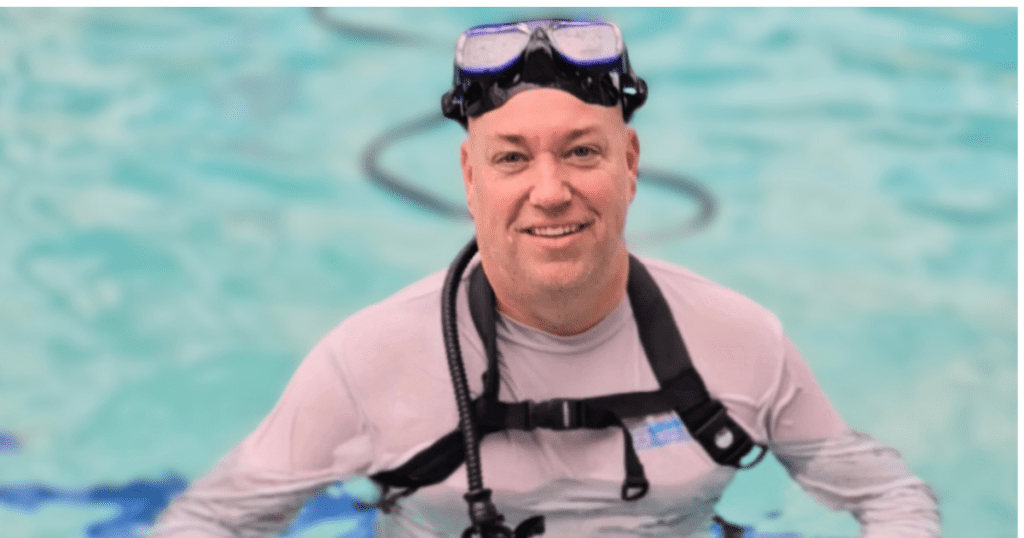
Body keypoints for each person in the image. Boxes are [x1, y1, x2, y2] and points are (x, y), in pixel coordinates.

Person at [150, 19, 940, 538]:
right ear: (470, 178)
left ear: (630, 166)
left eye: (583, 151)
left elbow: (887, 493)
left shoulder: (738, 341)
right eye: (512, 157)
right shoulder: (367, 359)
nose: (551, 189)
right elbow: (215, 519)